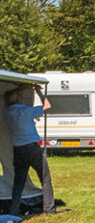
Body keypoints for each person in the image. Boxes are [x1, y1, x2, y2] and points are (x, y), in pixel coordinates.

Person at [4, 84, 56, 215]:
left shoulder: (8, 113)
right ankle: (49, 209)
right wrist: (38, 92)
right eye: (19, 96)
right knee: (45, 178)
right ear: (17, 99)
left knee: (19, 182)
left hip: (18, 151)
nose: (21, 97)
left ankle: (14, 210)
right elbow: (47, 106)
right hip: (32, 149)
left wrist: (19, 89)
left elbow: (8, 99)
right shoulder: (26, 112)